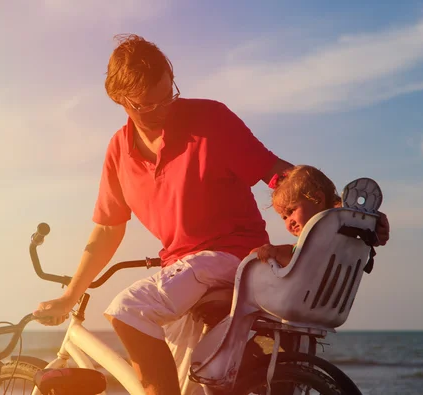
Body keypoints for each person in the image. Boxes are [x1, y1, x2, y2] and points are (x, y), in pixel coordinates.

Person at [32, 34, 390, 395]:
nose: (162, 110)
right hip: (184, 274)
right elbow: (107, 230)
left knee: (130, 310)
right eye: (146, 106)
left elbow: (279, 174)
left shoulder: (210, 120)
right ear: (120, 100)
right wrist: (69, 296)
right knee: (190, 384)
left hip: (231, 258)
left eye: (167, 96)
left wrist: (343, 214)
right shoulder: (117, 152)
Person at [251, 165, 389, 267]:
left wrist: (276, 253)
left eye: (292, 210)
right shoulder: (341, 235)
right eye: (284, 217)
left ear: (318, 199)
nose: (289, 222)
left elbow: (304, 262)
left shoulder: (326, 238)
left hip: (306, 301)